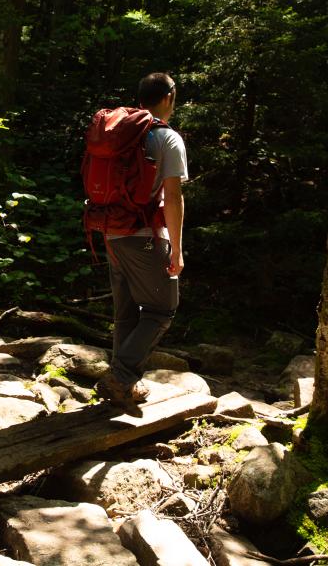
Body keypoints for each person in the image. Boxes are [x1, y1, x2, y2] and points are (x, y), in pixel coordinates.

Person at [95, 72, 187, 415]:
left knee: (126, 313)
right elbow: (174, 197)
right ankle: (120, 376)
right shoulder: (166, 138)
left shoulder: (122, 135)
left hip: (110, 231)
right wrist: (176, 249)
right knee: (163, 309)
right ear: (169, 97)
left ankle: (123, 385)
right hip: (144, 236)